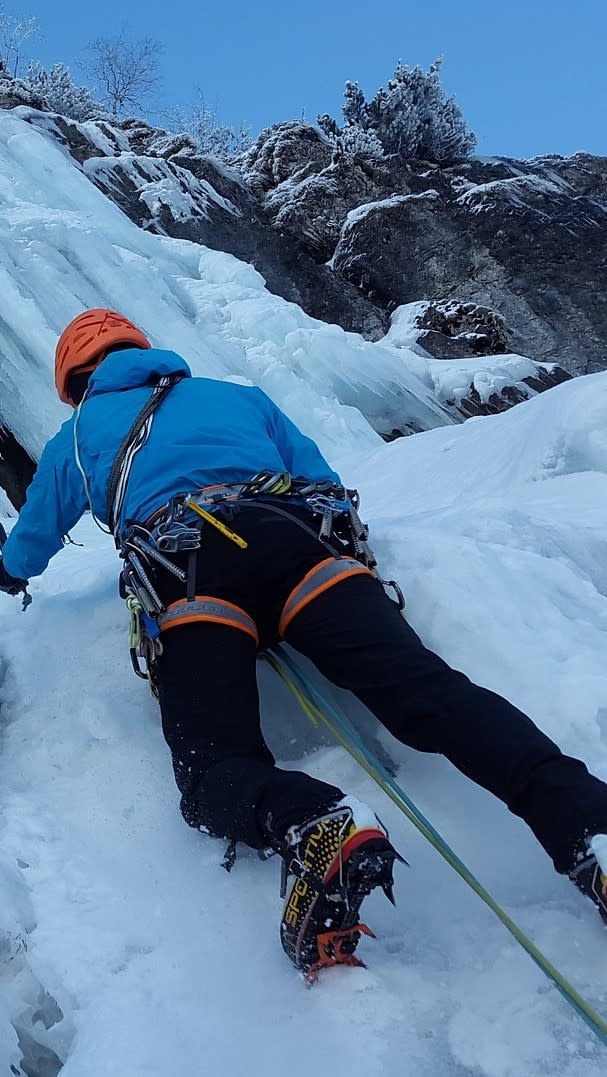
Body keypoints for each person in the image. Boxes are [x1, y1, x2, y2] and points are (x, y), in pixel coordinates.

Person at [0, 309, 606, 979]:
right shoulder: (235, 397)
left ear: (74, 380)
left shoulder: (78, 433)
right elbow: (319, 477)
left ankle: (313, 821)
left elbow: (29, 547)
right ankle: (587, 822)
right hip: (306, 548)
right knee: (431, 696)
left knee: (212, 767)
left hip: (192, 573)